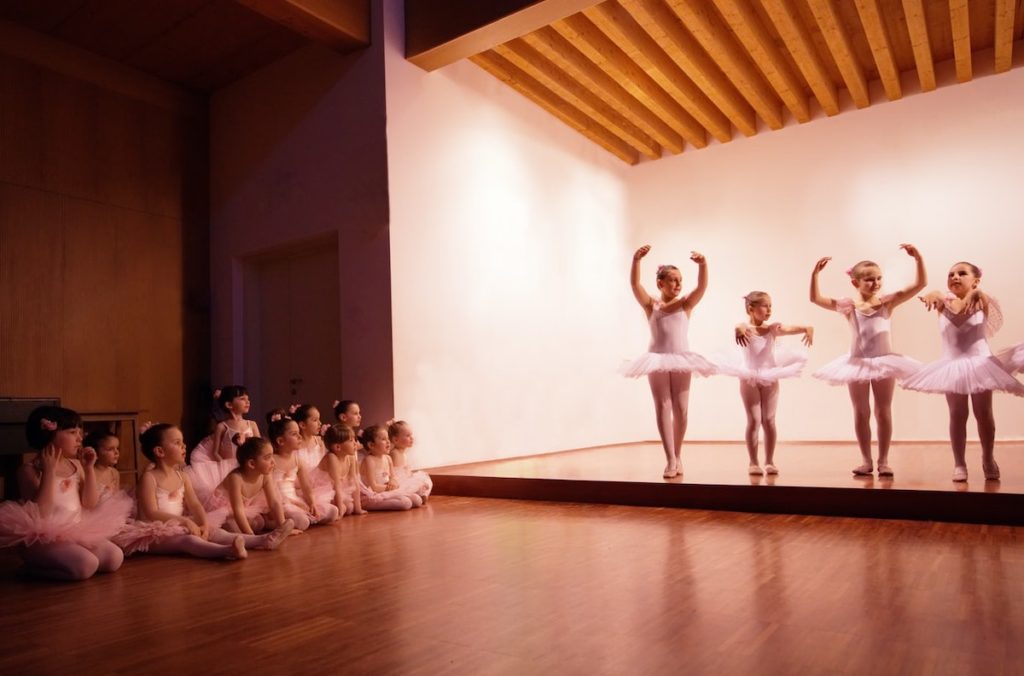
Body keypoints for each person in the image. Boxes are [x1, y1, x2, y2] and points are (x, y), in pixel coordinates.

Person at [810, 245, 925, 477]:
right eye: (870, 280)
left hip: (883, 362)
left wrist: (918, 259)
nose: (876, 283)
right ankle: (866, 460)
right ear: (856, 283)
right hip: (857, 363)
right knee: (861, 412)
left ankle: (883, 460)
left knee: (883, 411)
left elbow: (919, 285)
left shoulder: (886, 303)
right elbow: (816, 299)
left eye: (879, 278)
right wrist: (815, 275)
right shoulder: (848, 307)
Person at [903, 262, 1024, 481]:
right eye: (951, 274)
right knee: (957, 414)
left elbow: (980, 296)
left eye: (962, 273)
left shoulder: (981, 299)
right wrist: (935, 292)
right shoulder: (942, 301)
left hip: (980, 364)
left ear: (976, 280)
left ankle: (988, 458)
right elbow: (937, 295)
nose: (955, 277)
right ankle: (960, 463)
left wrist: (977, 291)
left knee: (983, 414)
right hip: (952, 366)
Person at [0, 406, 130, 580]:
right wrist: (48, 472)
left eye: (79, 432)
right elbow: (41, 512)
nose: (79, 438)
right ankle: (31, 568)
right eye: (72, 432)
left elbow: (89, 504)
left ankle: (70, 557)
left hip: (76, 530)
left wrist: (89, 469)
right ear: (50, 435)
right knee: (86, 566)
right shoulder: (29, 470)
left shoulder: (76, 465)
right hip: (44, 537)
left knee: (114, 557)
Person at [623, 245, 715, 478]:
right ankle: (670, 459)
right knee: (663, 406)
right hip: (656, 359)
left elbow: (702, 286)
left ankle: (678, 453)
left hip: (682, 358)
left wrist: (703, 265)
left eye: (680, 280)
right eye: (672, 280)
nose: (678, 284)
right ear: (660, 284)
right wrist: (636, 260)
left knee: (681, 409)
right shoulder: (650, 305)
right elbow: (635, 285)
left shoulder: (685, 304)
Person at [720, 292, 813, 475]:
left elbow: (789, 328)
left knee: (769, 420)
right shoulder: (744, 328)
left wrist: (806, 328)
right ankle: (753, 462)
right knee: (754, 420)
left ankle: (769, 461)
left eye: (770, 306)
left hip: (770, 376)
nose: (769, 310)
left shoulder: (772, 329)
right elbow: (739, 325)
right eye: (764, 306)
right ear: (751, 309)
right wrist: (739, 327)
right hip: (749, 377)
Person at [188, 385, 260, 502]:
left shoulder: (252, 425)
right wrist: (224, 466)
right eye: (242, 399)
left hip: (249, 466)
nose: (247, 401)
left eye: (248, 399)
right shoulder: (222, 427)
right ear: (229, 405)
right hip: (228, 467)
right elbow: (215, 452)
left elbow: (259, 448)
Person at [268, 414, 339, 529]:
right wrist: (293, 504)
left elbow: (306, 487)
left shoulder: (297, 460)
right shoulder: (272, 461)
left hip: (294, 498)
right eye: (294, 434)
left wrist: (312, 503)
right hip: (279, 502)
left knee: (333, 511)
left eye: (299, 433)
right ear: (280, 441)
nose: (299, 437)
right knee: (302, 522)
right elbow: (272, 492)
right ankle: (273, 523)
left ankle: (300, 518)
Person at [359, 425, 419, 511]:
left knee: (416, 499)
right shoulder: (369, 460)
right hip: (372, 494)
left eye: (388, 439)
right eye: (383, 439)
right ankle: (369, 505)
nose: (388, 442)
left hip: (387, 490)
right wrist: (389, 488)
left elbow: (393, 477)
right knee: (406, 503)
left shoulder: (388, 458)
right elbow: (373, 487)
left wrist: (392, 481)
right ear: (371, 445)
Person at [316, 424, 366, 517]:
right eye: (351, 441)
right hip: (321, 490)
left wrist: (358, 508)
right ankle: (333, 509)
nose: (355, 443)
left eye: (354, 439)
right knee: (342, 508)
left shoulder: (350, 458)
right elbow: (336, 485)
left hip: (337, 490)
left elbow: (355, 482)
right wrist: (340, 512)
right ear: (338, 447)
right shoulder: (332, 458)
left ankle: (339, 507)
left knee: (350, 507)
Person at [388, 420, 432, 502]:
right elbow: (392, 473)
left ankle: (423, 495)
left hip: (406, 480)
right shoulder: (394, 453)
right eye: (408, 436)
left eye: (411, 435)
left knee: (426, 479)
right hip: (399, 483)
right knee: (416, 484)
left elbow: (406, 472)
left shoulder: (404, 455)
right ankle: (416, 495)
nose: (411, 438)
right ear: (395, 440)